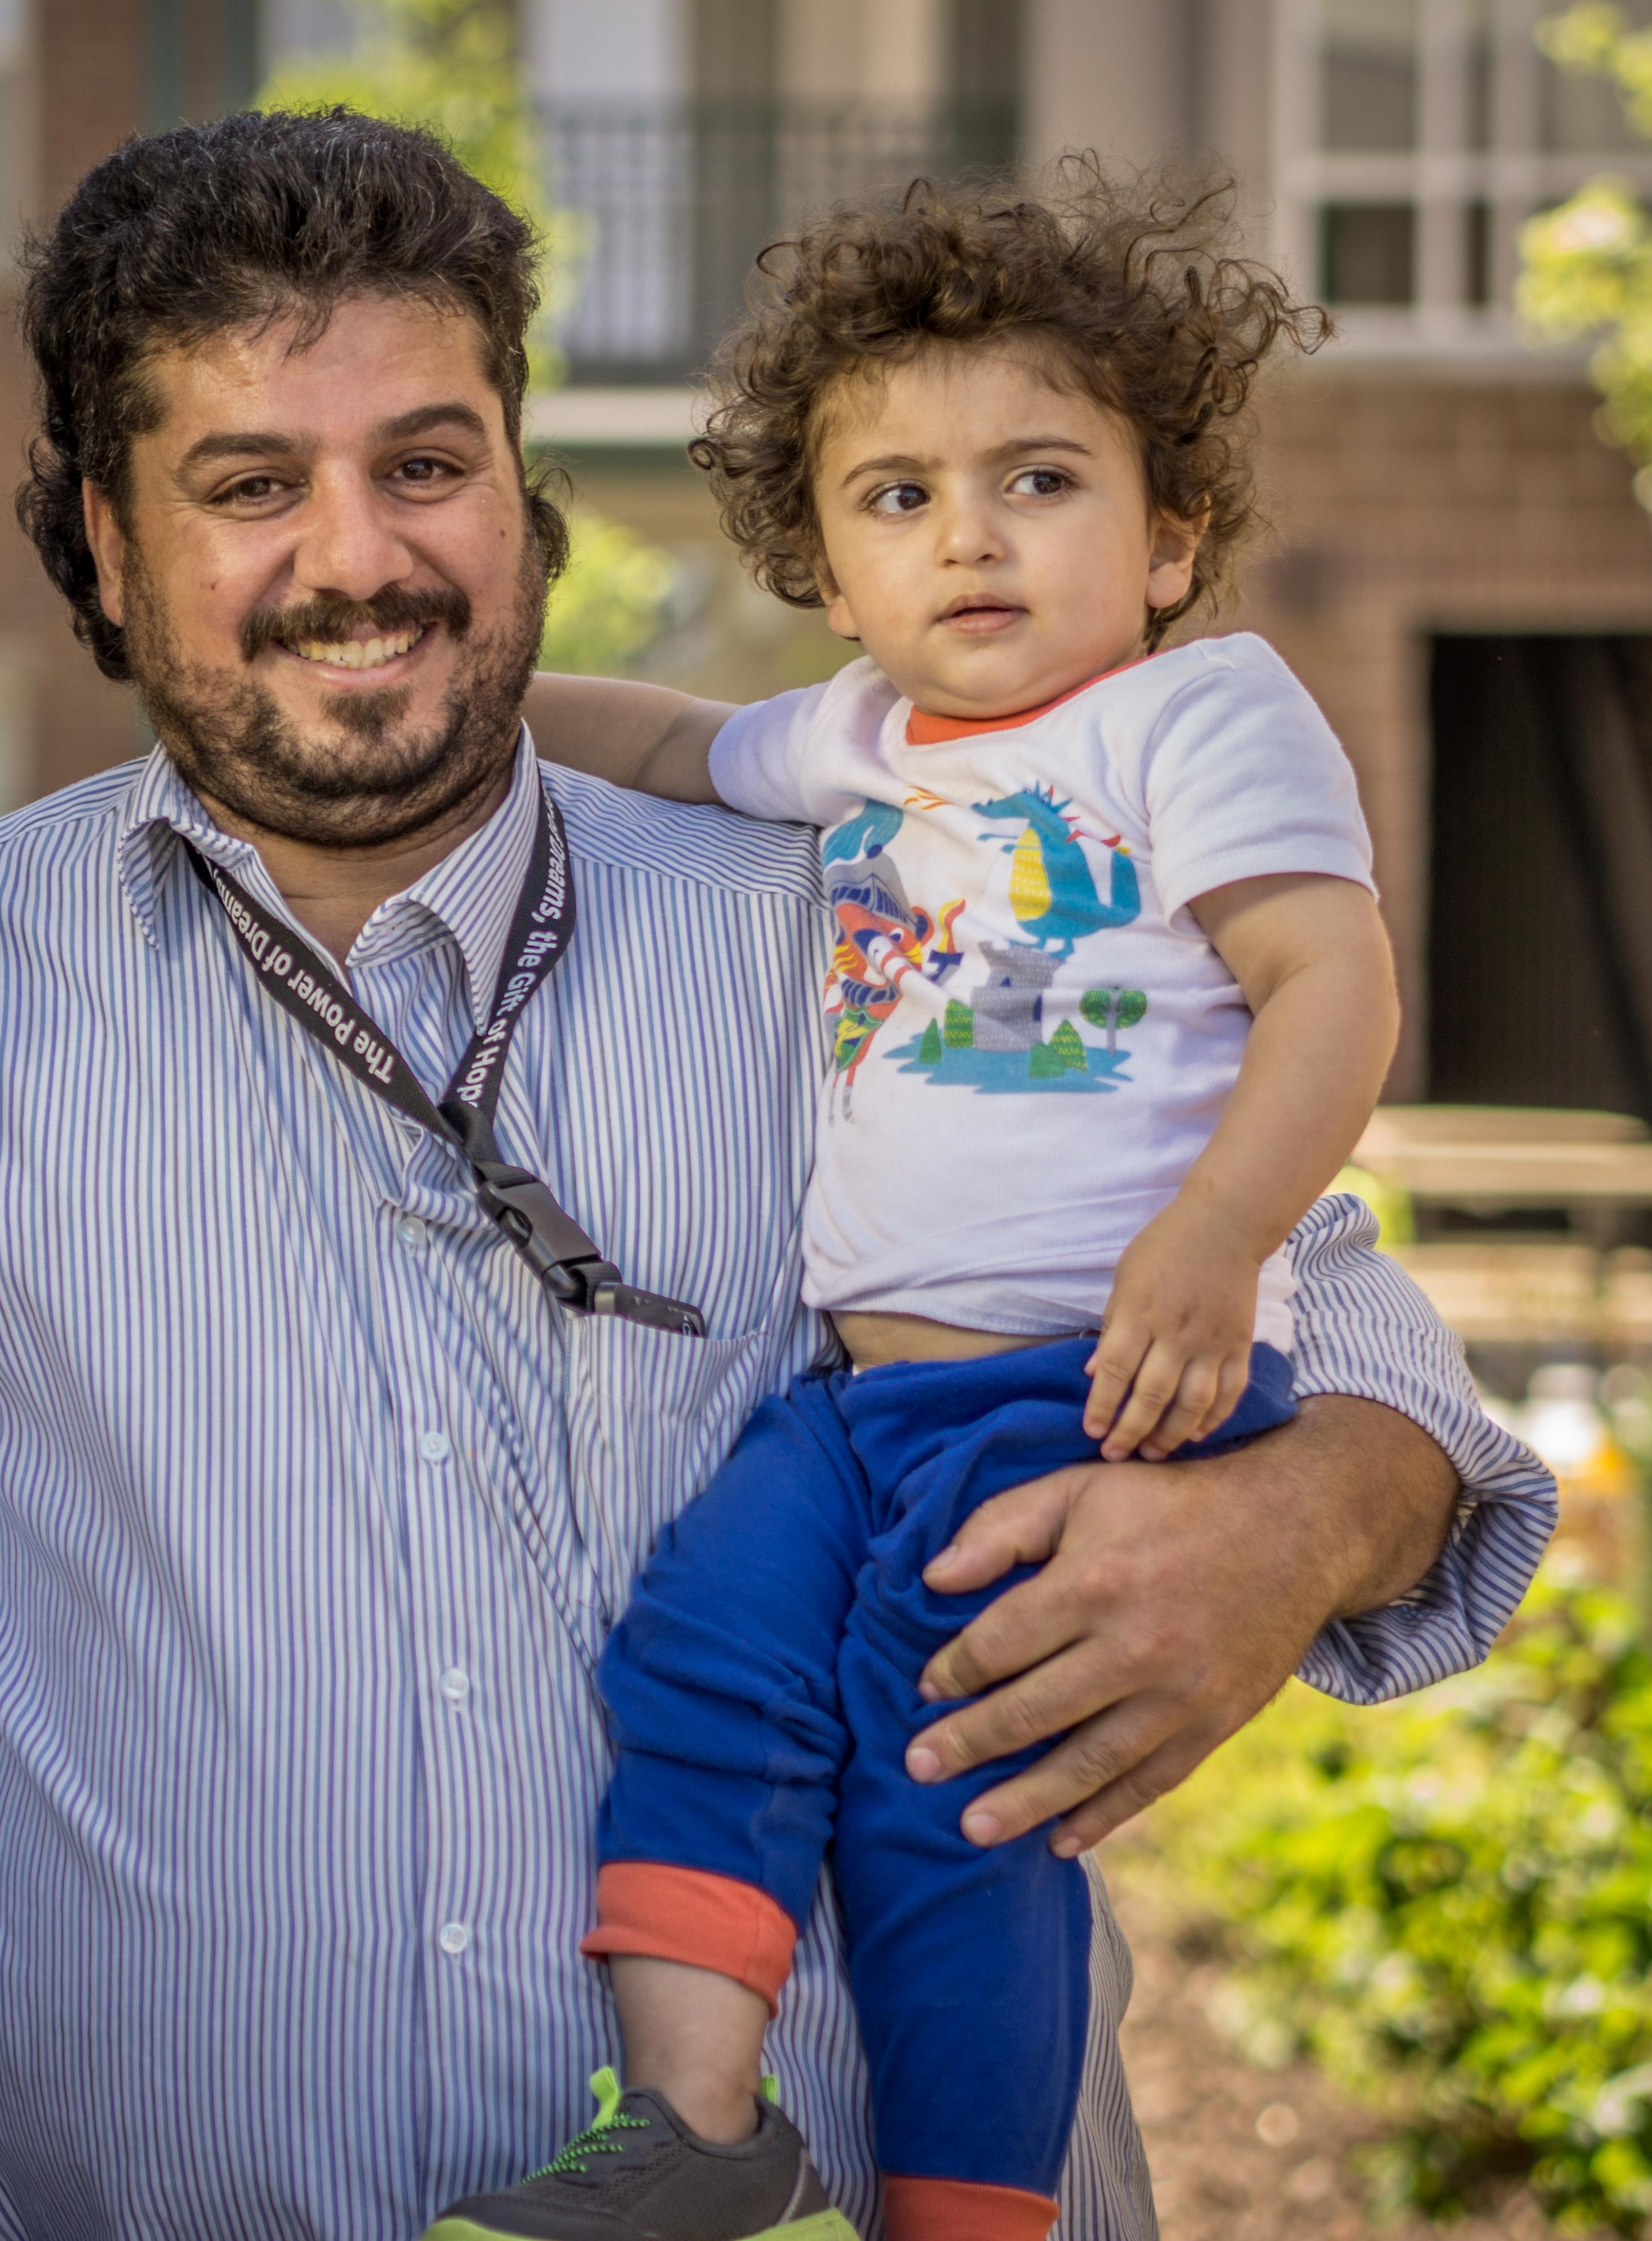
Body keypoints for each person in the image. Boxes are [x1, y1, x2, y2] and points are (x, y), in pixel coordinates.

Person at [0, 113, 1552, 2239]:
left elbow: (1342, 1319)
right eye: (251, 485)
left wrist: (1296, 1523)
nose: (362, 562)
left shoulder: (868, 911)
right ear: (103, 550)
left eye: (427, 463)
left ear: (528, 499)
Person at [428, 176, 1424, 2241]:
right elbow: (677, 742)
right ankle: (699, 2134)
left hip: (1084, 1391)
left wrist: (1221, 1236)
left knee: (946, 1809)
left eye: (1037, 478)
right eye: (895, 497)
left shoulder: (1194, 713)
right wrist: (468, 709)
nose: (966, 535)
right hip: (859, 1406)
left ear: (1165, 538)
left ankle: (978, 2215)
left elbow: (1338, 984)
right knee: (703, 1652)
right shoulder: (865, 745)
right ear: (826, 562)